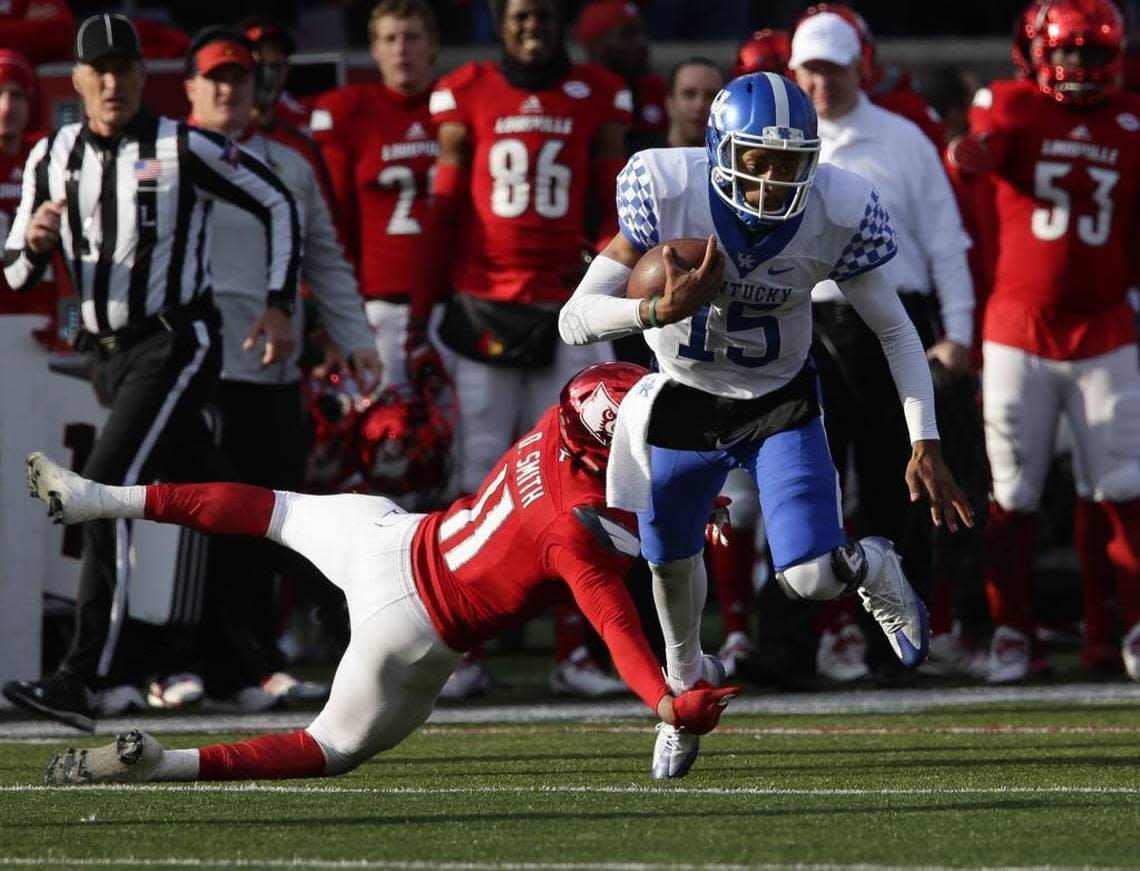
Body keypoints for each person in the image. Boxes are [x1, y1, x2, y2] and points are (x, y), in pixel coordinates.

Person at [31, 362, 740, 785]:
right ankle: (167, 762)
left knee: (262, 509)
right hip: (413, 625)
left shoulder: (561, 428)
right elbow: (615, 625)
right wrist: (663, 702)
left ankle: (100, 497)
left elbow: (618, 472)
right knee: (329, 746)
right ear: (605, 445)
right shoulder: (573, 530)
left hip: (385, 534)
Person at [558, 71, 973, 777]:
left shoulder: (838, 205)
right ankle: (687, 692)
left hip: (779, 400)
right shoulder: (665, 185)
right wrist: (653, 312)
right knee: (670, 574)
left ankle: (869, 562)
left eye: (791, 163)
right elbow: (574, 319)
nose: (776, 180)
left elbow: (897, 331)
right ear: (721, 149)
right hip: (684, 399)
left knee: (811, 578)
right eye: (759, 160)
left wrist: (923, 440)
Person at [1, 13, 301, 732]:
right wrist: (38, 244)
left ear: (143, 76)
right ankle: (255, 642)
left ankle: (88, 675)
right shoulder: (52, 156)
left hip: (176, 341)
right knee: (217, 493)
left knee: (95, 492)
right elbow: (12, 271)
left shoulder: (180, 144)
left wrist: (279, 303)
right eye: (97, 70)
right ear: (76, 81)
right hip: (111, 356)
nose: (112, 82)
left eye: (124, 68)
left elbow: (276, 199)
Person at [411, 0, 633, 699]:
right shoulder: (467, 88)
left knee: (583, 477)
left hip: (568, 304)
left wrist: (604, 290)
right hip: (482, 303)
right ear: (498, 21)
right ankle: (459, 644)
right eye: (517, 14)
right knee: (476, 470)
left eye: (541, 12)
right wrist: (427, 307)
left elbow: (612, 208)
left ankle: (578, 647)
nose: (531, 24)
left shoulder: (599, 94)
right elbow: (445, 208)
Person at [182, 26, 380, 708]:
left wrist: (355, 337)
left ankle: (253, 660)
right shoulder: (162, 154)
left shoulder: (291, 159)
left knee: (268, 517)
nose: (229, 89)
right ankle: (176, 661)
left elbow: (324, 253)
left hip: (270, 367)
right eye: (216, 77)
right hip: (189, 366)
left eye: (240, 77)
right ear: (189, 88)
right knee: (186, 522)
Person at [946, 0, 1140, 683]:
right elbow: (986, 145)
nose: (1081, 66)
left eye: (1092, 53)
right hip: (1017, 330)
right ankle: (1009, 630)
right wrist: (974, 152)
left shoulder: (1130, 120)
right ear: (1037, 51)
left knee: (1120, 485)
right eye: (1069, 53)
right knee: (1014, 491)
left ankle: (1126, 629)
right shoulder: (1011, 103)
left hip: (1106, 327)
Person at [788, 12, 985, 682]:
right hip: (805, 325)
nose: (821, 82)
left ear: (858, 68)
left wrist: (958, 333)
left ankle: (898, 645)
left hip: (891, 325)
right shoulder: (778, 142)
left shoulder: (903, 140)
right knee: (804, 483)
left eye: (832, 68)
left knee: (897, 486)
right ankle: (793, 643)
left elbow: (945, 244)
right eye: (810, 69)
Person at [310, 0, 443, 393]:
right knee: (383, 431)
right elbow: (334, 220)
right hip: (378, 305)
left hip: (450, 304)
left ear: (432, 45)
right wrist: (334, 312)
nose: (401, 49)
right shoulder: (351, 111)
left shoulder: (459, 105)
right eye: (390, 38)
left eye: (412, 37)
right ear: (374, 49)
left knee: (464, 436)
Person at [576, 0, 667, 153]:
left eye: (640, 32)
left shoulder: (658, 90)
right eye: (627, 35)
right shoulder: (578, 96)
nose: (641, 43)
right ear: (596, 46)